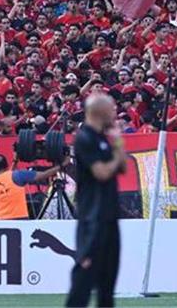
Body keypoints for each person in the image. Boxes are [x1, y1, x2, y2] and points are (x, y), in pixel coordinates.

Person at [65, 93, 126, 308]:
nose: (115, 113)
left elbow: (122, 167)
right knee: (84, 276)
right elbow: (102, 172)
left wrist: (117, 140)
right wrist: (116, 156)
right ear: (100, 111)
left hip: (109, 216)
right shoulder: (85, 138)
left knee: (107, 282)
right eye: (112, 108)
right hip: (93, 217)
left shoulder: (103, 139)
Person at [0, 153, 63, 220]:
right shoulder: (18, 175)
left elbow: (8, 177)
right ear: (6, 165)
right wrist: (61, 165)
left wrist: (15, 162)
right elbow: (44, 174)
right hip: (18, 219)